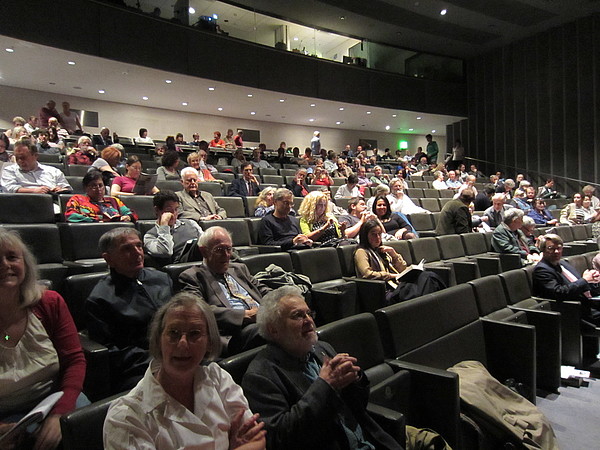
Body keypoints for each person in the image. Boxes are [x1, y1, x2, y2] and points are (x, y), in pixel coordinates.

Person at [241, 286, 402, 449]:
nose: (309, 321)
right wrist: (325, 385)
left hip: (371, 439)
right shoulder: (260, 376)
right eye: (298, 316)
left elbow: (357, 405)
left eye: (309, 314)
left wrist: (355, 378)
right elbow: (281, 438)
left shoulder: (322, 348)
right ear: (273, 329)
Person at [104, 292, 266, 449]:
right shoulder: (126, 417)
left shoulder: (218, 378)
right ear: (159, 340)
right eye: (173, 333)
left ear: (209, 343)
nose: (182, 343)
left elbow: (257, 441)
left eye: (194, 333)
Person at [0, 230, 86, 450]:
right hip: (4, 415)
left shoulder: (49, 302)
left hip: (54, 398)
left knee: (83, 428)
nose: (4, 265)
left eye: (12, 257)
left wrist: (60, 414)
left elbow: (74, 360)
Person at [86, 228, 172, 393]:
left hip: (176, 352)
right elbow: (110, 352)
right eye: (127, 249)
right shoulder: (100, 299)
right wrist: (157, 360)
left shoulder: (162, 278)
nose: (137, 253)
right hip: (140, 368)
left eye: (139, 246)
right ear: (108, 259)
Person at [179, 227, 270, 355]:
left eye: (229, 249)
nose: (227, 255)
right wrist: (245, 315)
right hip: (234, 333)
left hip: (264, 318)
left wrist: (282, 301)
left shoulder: (239, 269)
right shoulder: (192, 276)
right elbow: (199, 311)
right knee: (266, 329)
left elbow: (263, 290)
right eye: (220, 250)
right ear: (204, 251)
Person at [354, 219, 444, 304]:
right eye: (374, 234)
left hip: (398, 286)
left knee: (429, 277)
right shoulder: (362, 252)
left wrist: (393, 254)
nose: (378, 238)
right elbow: (367, 274)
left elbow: (402, 269)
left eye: (379, 234)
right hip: (387, 291)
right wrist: (392, 276)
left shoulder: (381, 250)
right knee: (427, 280)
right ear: (365, 235)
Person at [533, 234, 600, 325]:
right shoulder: (541, 270)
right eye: (551, 248)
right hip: (572, 311)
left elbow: (578, 283)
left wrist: (592, 279)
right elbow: (559, 292)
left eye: (559, 248)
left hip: (589, 303)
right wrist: (584, 280)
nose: (556, 251)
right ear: (543, 250)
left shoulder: (563, 263)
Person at [144, 191, 204, 265]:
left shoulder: (191, 223)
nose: (174, 214)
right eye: (169, 210)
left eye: (176, 209)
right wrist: (164, 226)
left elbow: (206, 241)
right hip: (182, 265)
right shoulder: (150, 236)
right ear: (157, 210)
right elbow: (166, 252)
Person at [0, 138, 72, 194]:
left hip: (53, 206)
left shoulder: (54, 171)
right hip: (20, 205)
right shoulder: (9, 171)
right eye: (17, 158)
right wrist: (34, 191)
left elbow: (67, 189)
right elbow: (9, 189)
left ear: (35, 156)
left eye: (23, 158)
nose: (19, 161)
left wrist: (59, 190)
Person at [65, 171, 137, 222]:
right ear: (85, 188)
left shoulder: (114, 201)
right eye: (93, 186)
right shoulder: (78, 199)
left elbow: (131, 213)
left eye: (100, 185)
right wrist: (97, 220)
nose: (98, 189)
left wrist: (128, 217)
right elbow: (70, 216)